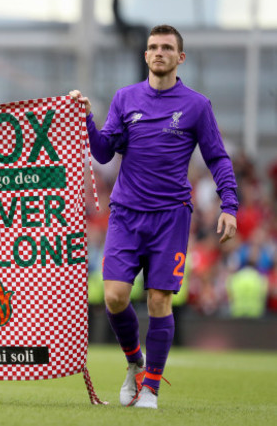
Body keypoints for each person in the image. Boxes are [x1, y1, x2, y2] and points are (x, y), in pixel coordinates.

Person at [70, 24, 238, 409]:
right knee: (113, 297)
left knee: (160, 301)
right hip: (126, 214)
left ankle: (151, 390)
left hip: (170, 218)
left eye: (166, 47)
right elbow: (102, 152)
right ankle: (135, 364)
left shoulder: (197, 105)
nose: (158, 52)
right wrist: (85, 117)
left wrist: (229, 205)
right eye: (152, 47)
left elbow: (217, 157)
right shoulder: (125, 98)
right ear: (145, 56)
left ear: (180, 58)